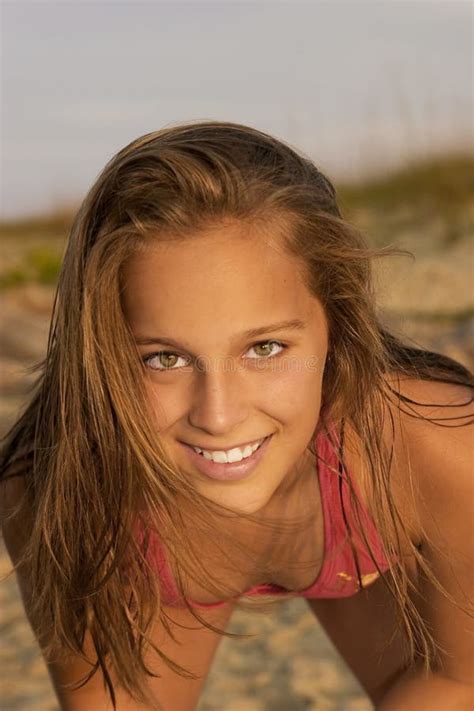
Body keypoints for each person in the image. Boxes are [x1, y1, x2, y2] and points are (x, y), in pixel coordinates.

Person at [0, 120, 472, 711]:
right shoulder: (61, 483)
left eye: (265, 349)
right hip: (159, 534)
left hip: (355, 511)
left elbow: (459, 682)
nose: (218, 417)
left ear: (339, 325)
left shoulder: (440, 448)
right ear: (101, 356)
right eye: (163, 357)